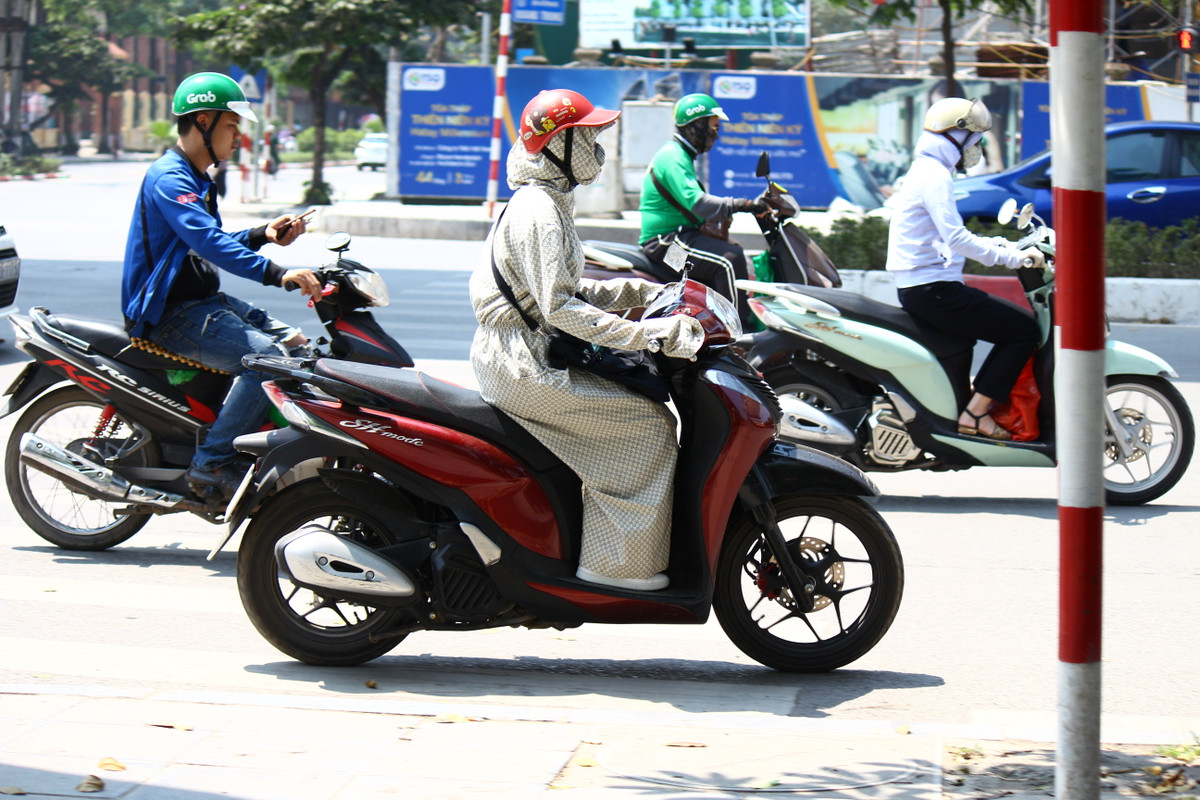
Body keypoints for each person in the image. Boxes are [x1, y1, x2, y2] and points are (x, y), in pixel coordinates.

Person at [470, 89, 704, 592]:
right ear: (558, 144)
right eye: (589, 137)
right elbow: (560, 307)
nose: (598, 149)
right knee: (648, 425)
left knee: (643, 410)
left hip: (525, 352)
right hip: (524, 363)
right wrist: (646, 334)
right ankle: (614, 568)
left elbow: (566, 287)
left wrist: (642, 291)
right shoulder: (539, 210)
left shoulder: (546, 200)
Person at [121, 72, 322, 500]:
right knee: (265, 360)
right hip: (170, 313)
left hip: (202, 302)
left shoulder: (196, 179)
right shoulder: (170, 179)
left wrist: (263, 235)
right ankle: (211, 464)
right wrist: (277, 272)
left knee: (299, 345)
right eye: (232, 126)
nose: (238, 138)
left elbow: (204, 242)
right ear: (204, 122)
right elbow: (207, 242)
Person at [886, 97, 1043, 441]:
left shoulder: (927, 170)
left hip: (927, 286)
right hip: (934, 290)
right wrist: (1011, 258)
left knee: (975, 338)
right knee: (1023, 331)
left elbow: (949, 237)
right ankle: (975, 414)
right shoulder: (934, 175)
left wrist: (1004, 244)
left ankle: (963, 411)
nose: (978, 147)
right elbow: (956, 238)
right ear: (955, 136)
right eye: (975, 139)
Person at [639, 92, 766, 325]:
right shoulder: (673, 158)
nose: (717, 133)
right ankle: (735, 336)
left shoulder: (682, 156)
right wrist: (744, 204)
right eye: (714, 126)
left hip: (677, 238)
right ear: (696, 125)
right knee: (728, 260)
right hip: (664, 245)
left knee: (731, 254)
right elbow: (699, 203)